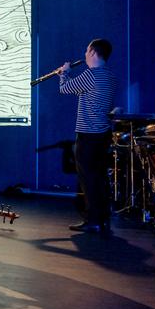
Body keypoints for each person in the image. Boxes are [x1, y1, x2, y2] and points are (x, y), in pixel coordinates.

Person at [58, 38, 117, 233]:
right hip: (102, 134)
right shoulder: (109, 75)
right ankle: (102, 218)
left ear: (92, 52)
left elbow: (64, 89)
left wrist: (64, 73)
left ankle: (93, 220)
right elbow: (84, 93)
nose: (84, 54)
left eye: (86, 50)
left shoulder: (91, 74)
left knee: (88, 178)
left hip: (88, 135)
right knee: (99, 177)